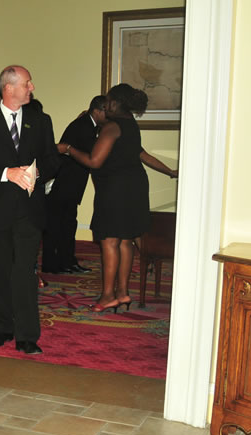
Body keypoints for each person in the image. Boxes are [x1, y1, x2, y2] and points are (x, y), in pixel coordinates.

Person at [56, 83, 177, 312]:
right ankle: (122, 293)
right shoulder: (131, 124)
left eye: (108, 100)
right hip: (135, 187)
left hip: (115, 190)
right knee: (125, 240)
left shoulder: (111, 128)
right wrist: (170, 171)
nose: (106, 103)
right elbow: (142, 155)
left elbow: (94, 161)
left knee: (110, 241)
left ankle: (108, 295)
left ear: (115, 103)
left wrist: (68, 149)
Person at [0, 65, 58, 355]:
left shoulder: (41, 121)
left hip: (29, 211)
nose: (31, 88)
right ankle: (2, 328)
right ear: (9, 89)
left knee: (24, 273)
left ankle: (27, 335)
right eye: (27, 84)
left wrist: (34, 172)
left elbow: (53, 161)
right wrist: (7, 173)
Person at [42, 95, 107, 274]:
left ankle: (67, 261)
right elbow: (92, 153)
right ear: (97, 110)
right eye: (106, 111)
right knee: (57, 225)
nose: (108, 115)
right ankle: (53, 264)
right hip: (64, 183)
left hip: (71, 184)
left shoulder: (88, 124)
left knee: (67, 224)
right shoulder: (84, 126)